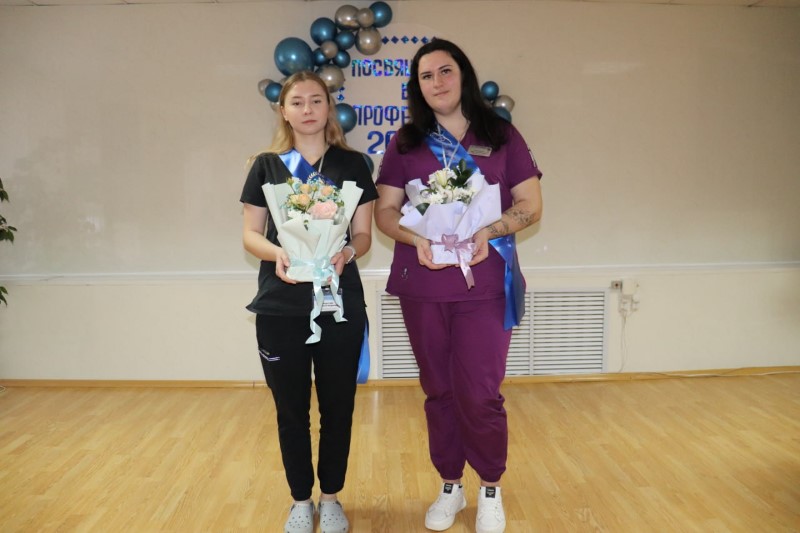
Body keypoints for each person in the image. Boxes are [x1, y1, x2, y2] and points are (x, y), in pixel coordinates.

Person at [374, 39, 543, 533]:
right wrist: (416, 237)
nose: (437, 82)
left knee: (481, 393)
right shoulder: (405, 143)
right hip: (423, 285)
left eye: (445, 71)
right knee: (439, 390)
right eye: (426, 76)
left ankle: (490, 485)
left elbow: (531, 205)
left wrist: (490, 231)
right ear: (417, 87)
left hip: (484, 285)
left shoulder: (501, 134)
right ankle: (450, 483)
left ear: (463, 75)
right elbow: (386, 211)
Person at [240, 70, 378, 533]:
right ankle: (300, 500)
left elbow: (363, 235)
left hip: (338, 302)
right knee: (290, 410)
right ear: (283, 111)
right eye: (297, 102)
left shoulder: (353, 164)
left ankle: (331, 497)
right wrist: (278, 253)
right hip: (281, 306)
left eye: (316, 100)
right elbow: (250, 235)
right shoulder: (266, 166)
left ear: (329, 106)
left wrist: (346, 254)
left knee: (339, 408)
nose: (307, 109)